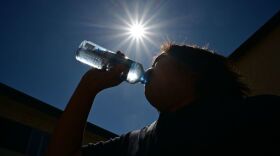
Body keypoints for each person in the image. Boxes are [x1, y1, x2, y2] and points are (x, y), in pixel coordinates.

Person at [46, 43, 280, 156]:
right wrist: (89, 86)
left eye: (158, 61)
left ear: (192, 72)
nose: (149, 68)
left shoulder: (256, 115)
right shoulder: (136, 141)